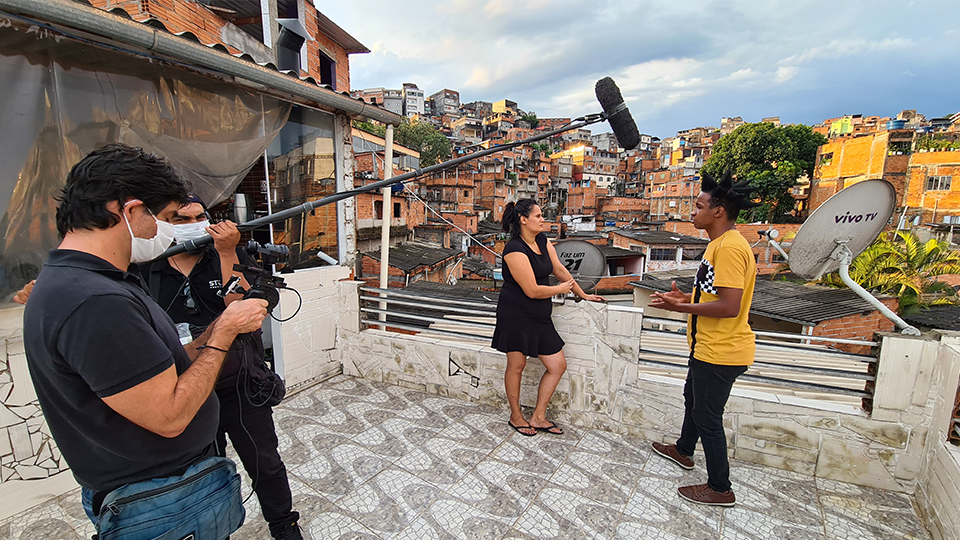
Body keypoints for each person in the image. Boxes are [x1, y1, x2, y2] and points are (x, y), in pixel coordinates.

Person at [21, 144, 269, 529]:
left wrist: (213, 335)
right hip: (158, 500)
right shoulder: (95, 300)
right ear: (132, 211)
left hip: (164, 487)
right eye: (168, 217)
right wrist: (224, 328)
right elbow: (169, 416)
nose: (168, 230)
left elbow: (154, 369)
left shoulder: (93, 282)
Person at [140, 195, 303, 540]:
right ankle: (213, 528)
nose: (195, 224)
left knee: (265, 463)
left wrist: (228, 252)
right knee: (202, 471)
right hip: (184, 391)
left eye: (201, 217)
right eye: (182, 219)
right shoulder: (145, 266)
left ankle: (284, 526)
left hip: (240, 384)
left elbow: (239, 306)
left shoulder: (222, 254)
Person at [648, 170, 759, 507]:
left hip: (721, 351)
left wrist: (682, 310)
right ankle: (683, 450)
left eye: (697, 206)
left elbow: (729, 306)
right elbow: (714, 296)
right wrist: (685, 299)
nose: (692, 213)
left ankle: (720, 488)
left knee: (708, 418)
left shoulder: (728, 249)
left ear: (718, 212)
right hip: (706, 348)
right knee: (691, 400)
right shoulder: (719, 246)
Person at [491, 199, 604, 436]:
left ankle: (538, 417)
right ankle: (515, 416)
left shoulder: (542, 240)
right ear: (523, 219)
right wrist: (559, 290)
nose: (543, 220)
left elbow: (560, 270)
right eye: (538, 216)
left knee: (557, 365)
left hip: (540, 317)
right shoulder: (514, 249)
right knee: (517, 365)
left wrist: (582, 294)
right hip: (516, 314)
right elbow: (531, 290)